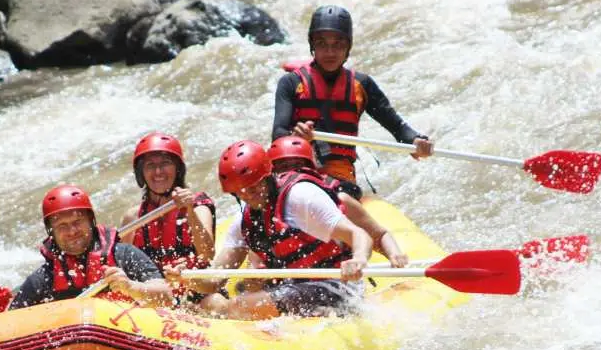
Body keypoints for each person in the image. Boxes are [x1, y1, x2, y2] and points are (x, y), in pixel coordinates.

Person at [167, 140, 374, 320]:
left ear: (267, 176)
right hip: (293, 288)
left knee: (242, 306)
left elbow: (359, 234)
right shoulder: (243, 221)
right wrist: (185, 278)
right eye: (240, 191)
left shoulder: (300, 196)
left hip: (338, 287)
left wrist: (358, 260)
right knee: (214, 302)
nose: (248, 194)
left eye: (254, 186)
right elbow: (214, 280)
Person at [272, 4, 433, 186]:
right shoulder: (291, 83)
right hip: (298, 170)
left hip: (340, 177)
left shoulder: (362, 85)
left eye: (338, 44)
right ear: (312, 46)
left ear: (348, 47)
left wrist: (417, 142)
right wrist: (295, 136)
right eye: (322, 44)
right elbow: (278, 135)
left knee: (340, 190)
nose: (330, 52)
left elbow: (398, 128)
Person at [9, 184, 173, 309]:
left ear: (91, 222)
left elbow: (166, 297)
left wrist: (131, 287)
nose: (72, 231)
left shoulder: (124, 255)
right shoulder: (44, 278)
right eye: (62, 226)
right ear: (51, 233)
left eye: (77, 222)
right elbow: (12, 319)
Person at [120, 133, 228, 312]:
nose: (158, 172)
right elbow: (124, 266)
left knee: (216, 303)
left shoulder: (198, 206)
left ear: (178, 169)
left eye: (165, 164)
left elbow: (207, 253)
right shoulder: (133, 218)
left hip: (197, 292)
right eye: (150, 166)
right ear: (141, 174)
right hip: (156, 296)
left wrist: (189, 211)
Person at [268, 135, 408, 268]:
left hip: (338, 280)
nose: (292, 173)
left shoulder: (340, 199)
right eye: (283, 167)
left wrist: (394, 255)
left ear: (310, 168)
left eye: (298, 165)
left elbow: (379, 235)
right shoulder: (266, 209)